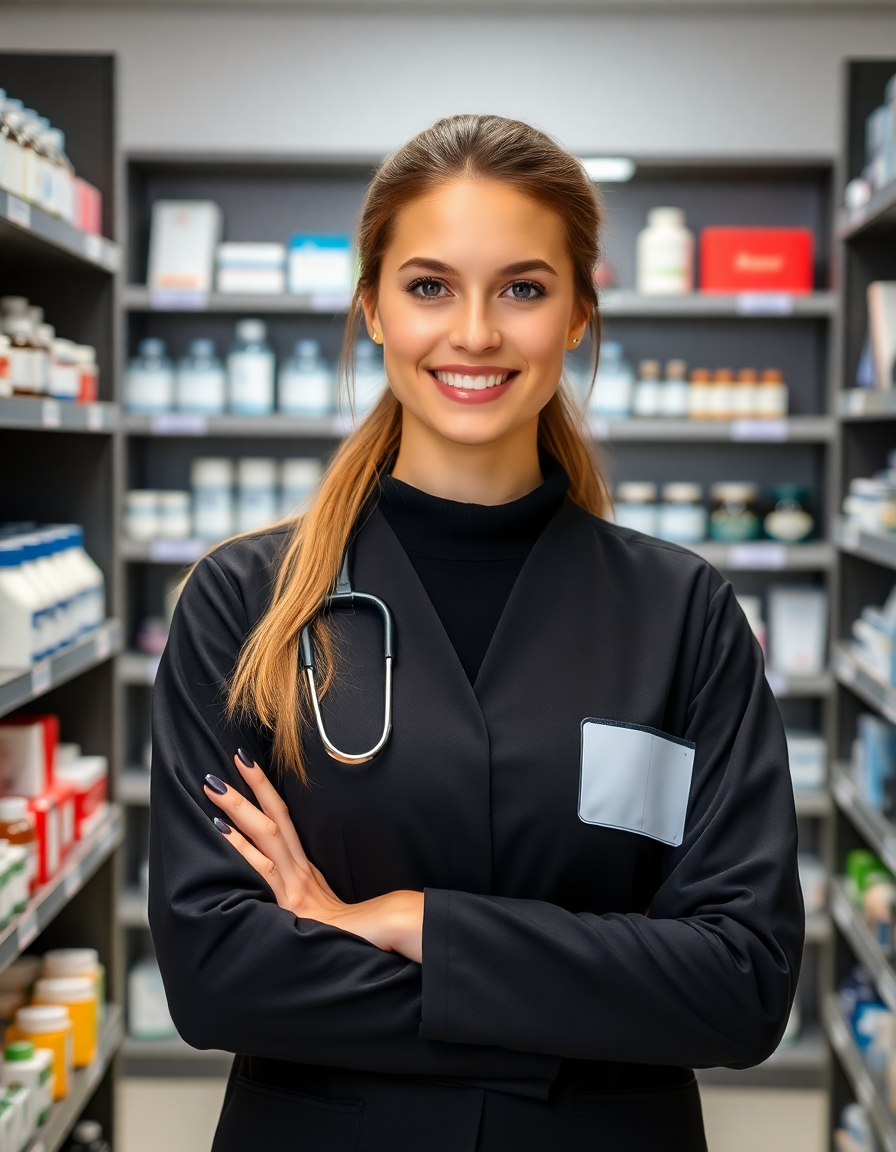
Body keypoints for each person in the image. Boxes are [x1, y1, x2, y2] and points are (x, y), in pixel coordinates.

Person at [148, 114, 803, 1152]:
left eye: (523, 289)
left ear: (581, 311)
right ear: (372, 307)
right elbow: (219, 974)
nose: (474, 335)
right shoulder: (247, 605)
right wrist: (590, 998)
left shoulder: (683, 615)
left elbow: (740, 984)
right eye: (428, 286)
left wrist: (417, 922)